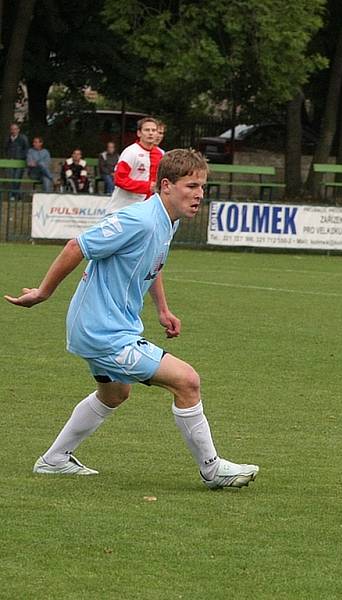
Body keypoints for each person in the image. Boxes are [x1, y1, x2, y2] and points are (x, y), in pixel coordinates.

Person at [4, 148, 259, 489]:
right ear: (166, 185)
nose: (199, 194)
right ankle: (213, 470)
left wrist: (162, 309)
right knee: (187, 381)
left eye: (202, 187)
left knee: (114, 395)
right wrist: (43, 293)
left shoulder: (168, 220)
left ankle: (54, 460)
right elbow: (75, 246)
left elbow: (153, 265)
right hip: (102, 331)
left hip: (106, 326)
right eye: (191, 186)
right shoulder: (137, 219)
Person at [106, 116, 162, 213]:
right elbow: (119, 179)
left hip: (147, 208)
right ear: (139, 133)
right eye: (147, 130)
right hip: (123, 207)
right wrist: (146, 186)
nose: (150, 133)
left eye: (154, 130)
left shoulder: (159, 154)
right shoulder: (131, 152)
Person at [5, 123, 30, 199]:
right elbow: (5, 149)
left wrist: (21, 157)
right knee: (11, 179)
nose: (14, 131)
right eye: (12, 129)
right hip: (10, 162)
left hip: (19, 162)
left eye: (15, 129)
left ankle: (13, 195)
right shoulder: (8, 139)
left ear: (18, 130)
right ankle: (17, 195)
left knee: (17, 179)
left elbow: (26, 149)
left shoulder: (23, 138)